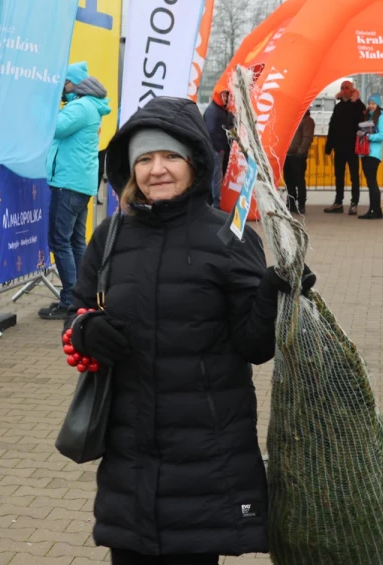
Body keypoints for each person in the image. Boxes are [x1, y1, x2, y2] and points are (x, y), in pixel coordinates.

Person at [65, 95, 315, 565]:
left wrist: (271, 294)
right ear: (130, 169)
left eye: (170, 156)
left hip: (206, 458)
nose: (157, 169)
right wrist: (85, 331)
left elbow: (254, 345)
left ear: (195, 163)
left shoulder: (230, 235)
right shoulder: (111, 235)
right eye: (145, 159)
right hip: (129, 459)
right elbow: (77, 310)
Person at [39, 61, 111, 320]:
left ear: (75, 84)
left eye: (65, 83)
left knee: (60, 240)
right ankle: (83, 296)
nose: (63, 88)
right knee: (75, 241)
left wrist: (44, 105)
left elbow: (54, 128)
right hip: (79, 183)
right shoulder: (89, 106)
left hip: (68, 183)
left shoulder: (80, 106)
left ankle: (71, 299)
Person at [324, 81, 364, 215]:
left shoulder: (358, 106)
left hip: (352, 148)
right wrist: (329, 146)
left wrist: (356, 100)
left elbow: (363, 122)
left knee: (354, 176)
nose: (344, 90)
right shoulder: (339, 107)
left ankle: (354, 203)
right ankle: (338, 202)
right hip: (339, 148)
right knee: (339, 176)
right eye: (342, 88)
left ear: (352, 90)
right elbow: (332, 127)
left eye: (347, 88)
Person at [357, 95, 383, 219]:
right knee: (371, 183)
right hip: (365, 153)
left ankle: (374, 210)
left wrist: (368, 137)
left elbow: (382, 136)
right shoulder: (369, 117)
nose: (370, 105)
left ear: (378, 105)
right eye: (369, 103)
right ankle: (376, 210)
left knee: (372, 182)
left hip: (373, 154)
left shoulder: (381, 117)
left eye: (373, 104)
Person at [201, 89, 233, 208]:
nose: (226, 98)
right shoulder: (214, 111)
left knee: (216, 175)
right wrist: (219, 148)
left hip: (218, 148)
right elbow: (212, 131)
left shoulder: (219, 110)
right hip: (216, 149)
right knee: (216, 176)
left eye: (227, 95)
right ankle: (216, 203)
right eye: (224, 95)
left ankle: (213, 201)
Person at [283, 108, 315, 214]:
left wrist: (300, 152)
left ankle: (301, 204)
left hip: (297, 155)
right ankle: (291, 202)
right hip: (288, 154)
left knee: (299, 180)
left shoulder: (307, 120)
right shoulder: (293, 119)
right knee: (289, 180)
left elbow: (307, 138)